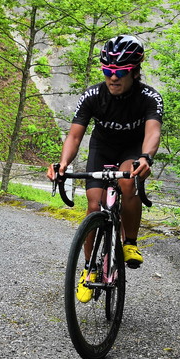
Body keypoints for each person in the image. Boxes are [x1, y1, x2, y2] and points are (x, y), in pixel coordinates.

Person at [46, 34, 162, 302]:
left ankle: (129, 242)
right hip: (103, 147)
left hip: (133, 149)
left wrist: (145, 157)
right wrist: (63, 163)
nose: (113, 78)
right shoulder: (93, 95)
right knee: (93, 205)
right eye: (108, 71)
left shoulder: (148, 97)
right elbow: (74, 136)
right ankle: (89, 270)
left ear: (134, 71)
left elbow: (153, 132)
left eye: (120, 71)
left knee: (126, 182)